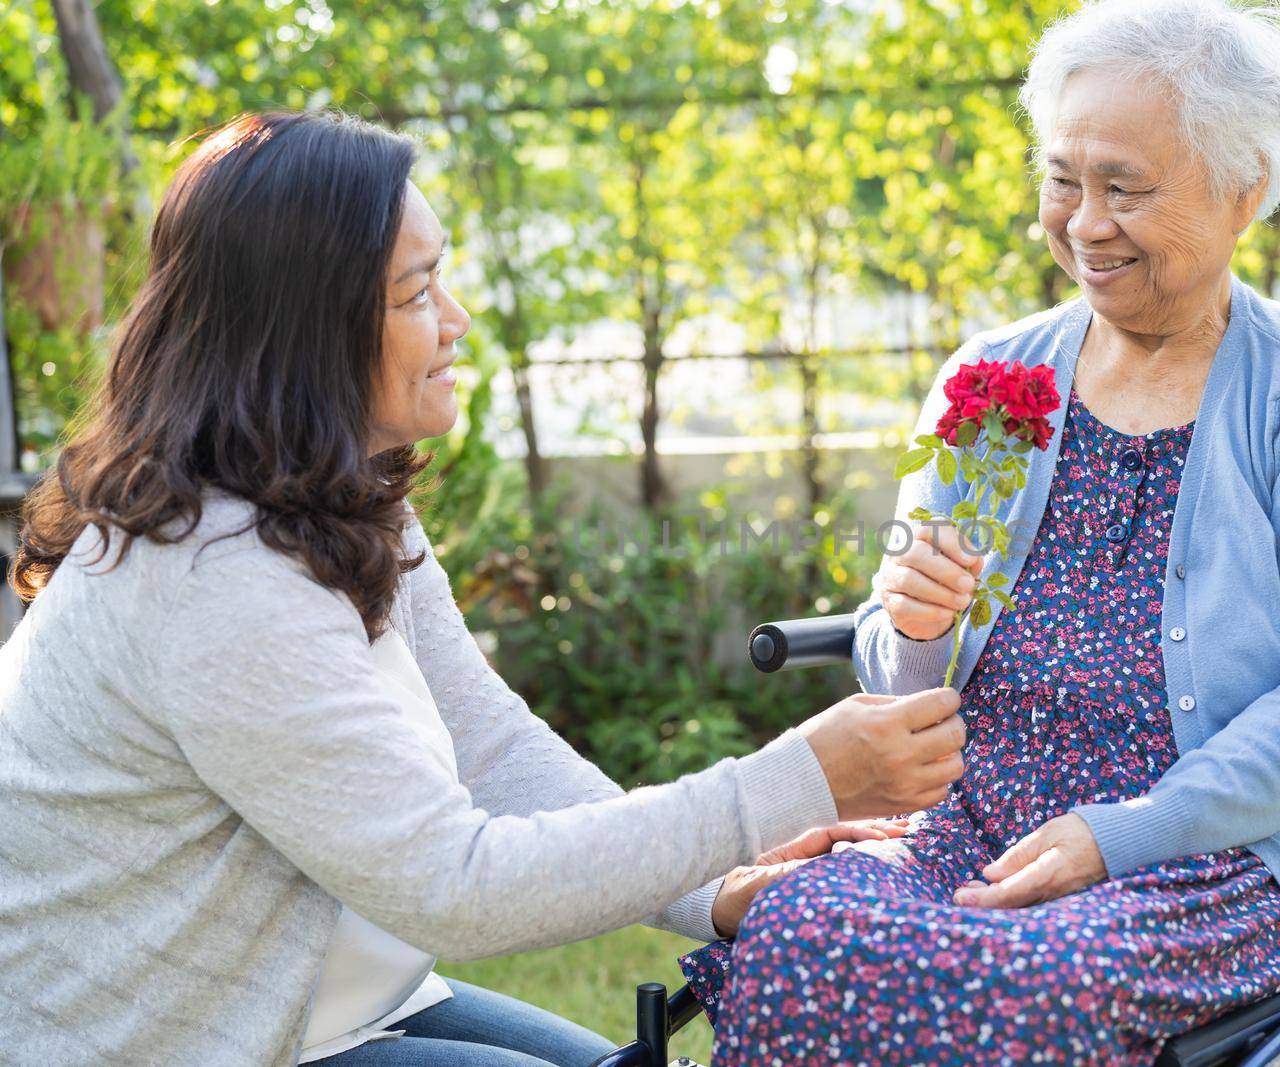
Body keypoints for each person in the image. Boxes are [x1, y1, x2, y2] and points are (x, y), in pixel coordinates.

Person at [0, 110, 968, 1066]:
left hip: (322, 999)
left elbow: (490, 747)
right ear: (304, 328)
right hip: (161, 1039)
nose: (456, 322)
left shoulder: (330, 503)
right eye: (416, 292)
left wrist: (715, 885)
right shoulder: (214, 578)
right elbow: (455, 888)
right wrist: (794, 779)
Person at [678, 2, 1280, 1063]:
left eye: (1124, 187)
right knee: (795, 918)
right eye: (1063, 179)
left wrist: (1117, 832)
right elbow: (897, 675)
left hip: (1210, 852)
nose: (1082, 222)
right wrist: (916, 624)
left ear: (1243, 188)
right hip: (971, 821)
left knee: (1030, 977)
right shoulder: (996, 377)